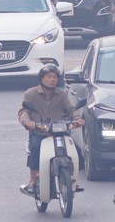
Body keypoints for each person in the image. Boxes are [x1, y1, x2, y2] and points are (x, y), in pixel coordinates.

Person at [17, 64, 82, 194]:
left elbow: (71, 110)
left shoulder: (62, 94)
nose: (52, 80)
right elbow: (23, 111)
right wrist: (28, 122)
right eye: (49, 77)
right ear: (42, 78)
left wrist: (77, 119)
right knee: (35, 148)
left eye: (55, 77)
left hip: (60, 132)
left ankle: (73, 181)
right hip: (40, 132)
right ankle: (33, 180)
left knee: (76, 149)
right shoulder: (31, 94)